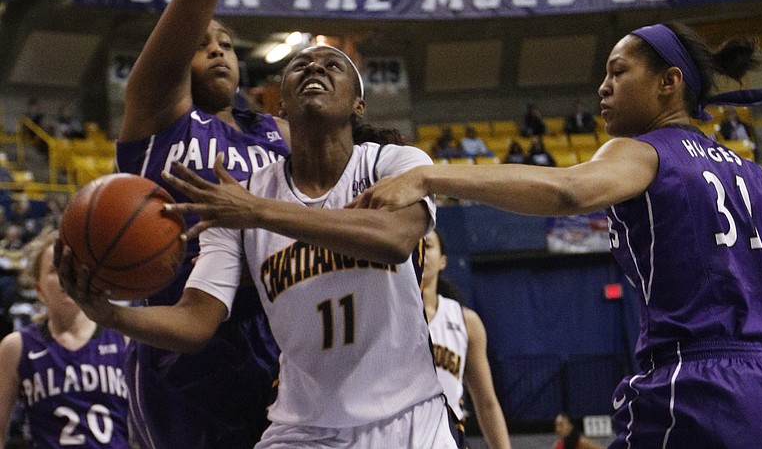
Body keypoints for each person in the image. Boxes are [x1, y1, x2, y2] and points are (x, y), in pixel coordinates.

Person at [351, 22, 762, 448]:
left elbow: (567, 191)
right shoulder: (753, 173)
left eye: (618, 72)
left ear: (670, 82)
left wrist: (430, 177)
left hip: (698, 386)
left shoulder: (643, 151)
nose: (603, 87)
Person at [60, 44, 463, 448]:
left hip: (410, 420)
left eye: (332, 65)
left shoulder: (391, 163)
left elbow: (392, 239)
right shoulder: (241, 198)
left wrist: (260, 213)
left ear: (358, 104)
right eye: (300, 66)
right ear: (282, 103)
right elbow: (196, 321)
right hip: (303, 430)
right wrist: (110, 314)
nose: (314, 68)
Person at [111, 0, 290, 446]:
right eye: (200, 42)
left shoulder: (281, 133)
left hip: (278, 335)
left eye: (229, 44)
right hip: (181, 347)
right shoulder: (156, 114)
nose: (216, 48)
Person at [0, 229, 129, 448]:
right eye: (55, 269)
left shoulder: (123, 340)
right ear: (38, 289)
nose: (66, 277)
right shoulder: (17, 346)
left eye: (75, 269)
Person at [423, 229, 511, 449]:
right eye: (414, 246)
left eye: (428, 246)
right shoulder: (389, 315)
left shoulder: (465, 321)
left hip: (449, 441)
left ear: (443, 261)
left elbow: (487, 403)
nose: (421, 253)